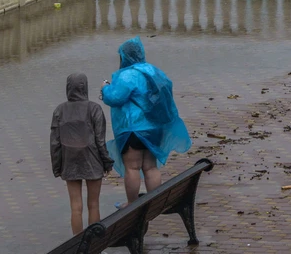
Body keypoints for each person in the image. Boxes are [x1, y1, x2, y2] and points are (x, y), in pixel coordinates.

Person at [101, 37, 191, 206]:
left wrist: (105, 87)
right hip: (154, 129)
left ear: (124, 56)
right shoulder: (154, 71)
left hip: (133, 129)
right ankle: (155, 203)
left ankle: (132, 205)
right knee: (150, 167)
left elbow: (115, 97)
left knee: (133, 167)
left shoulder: (127, 75)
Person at [50, 73, 113, 234]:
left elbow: (55, 143)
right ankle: (93, 245)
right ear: (85, 87)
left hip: (69, 161)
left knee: (75, 207)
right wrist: (107, 162)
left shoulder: (60, 110)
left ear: (68, 88)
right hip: (93, 160)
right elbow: (100, 140)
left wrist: (57, 167)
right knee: (94, 204)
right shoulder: (94, 109)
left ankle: (78, 245)